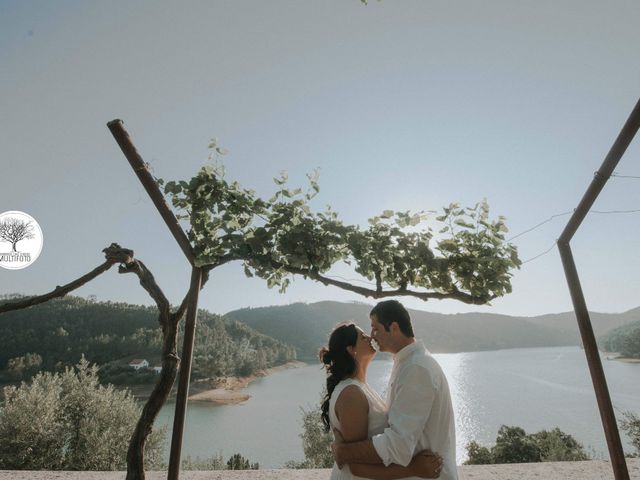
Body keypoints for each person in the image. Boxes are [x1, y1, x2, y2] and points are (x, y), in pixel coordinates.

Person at [332, 300, 458, 480]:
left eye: (376, 328)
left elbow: (399, 444)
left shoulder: (416, 368)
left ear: (394, 327)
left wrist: (344, 452)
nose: (372, 335)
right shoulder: (407, 363)